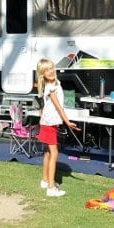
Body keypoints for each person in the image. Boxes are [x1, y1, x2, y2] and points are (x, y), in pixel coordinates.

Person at [35, 57, 79, 197]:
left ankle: (45, 180)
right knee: (54, 154)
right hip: (49, 124)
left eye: (51, 68)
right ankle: (51, 188)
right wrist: (68, 122)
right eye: (46, 70)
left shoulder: (55, 83)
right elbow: (59, 108)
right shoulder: (51, 87)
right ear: (42, 74)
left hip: (48, 123)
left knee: (48, 152)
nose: (50, 71)